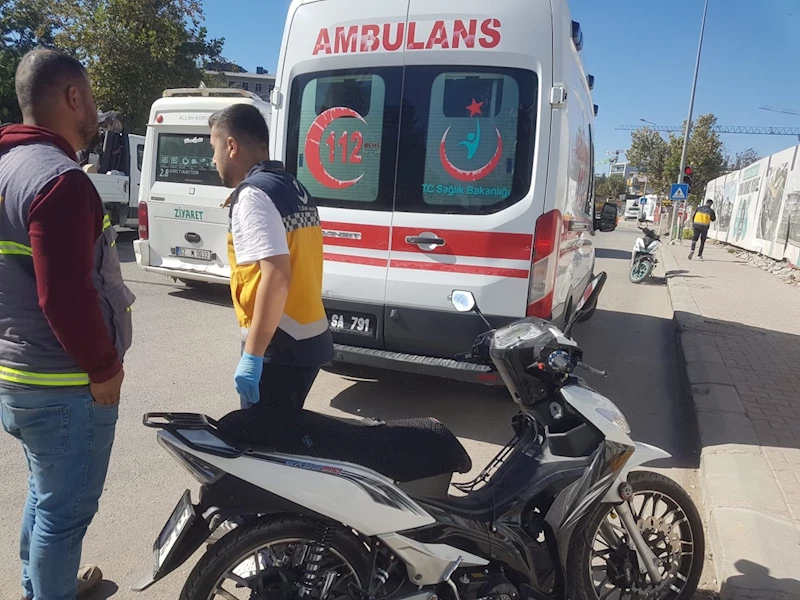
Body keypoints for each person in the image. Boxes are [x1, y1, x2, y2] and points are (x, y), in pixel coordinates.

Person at [0, 49, 135, 600]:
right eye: (92, 99)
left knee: (45, 495)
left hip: (21, 374)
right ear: (73, 98)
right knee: (65, 515)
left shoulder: (8, 166)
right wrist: (103, 368)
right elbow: (66, 296)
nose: (96, 113)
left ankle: (41, 587)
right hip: (64, 384)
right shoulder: (59, 181)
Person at [208, 104, 333, 411]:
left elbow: (276, 276)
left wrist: (252, 356)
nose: (213, 160)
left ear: (231, 146)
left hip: (279, 345)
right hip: (308, 338)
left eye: (213, 148)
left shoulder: (253, 195)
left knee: (262, 450)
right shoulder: (291, 185)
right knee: (284, 442)